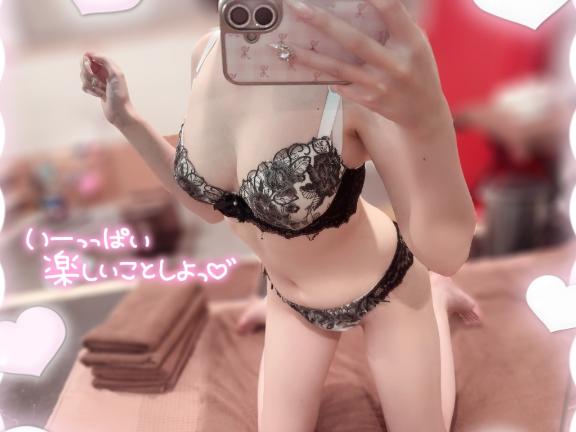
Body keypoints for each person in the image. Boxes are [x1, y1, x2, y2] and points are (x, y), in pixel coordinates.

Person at [79, 0, 478, 430]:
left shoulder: (350, 82)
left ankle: (435, 298)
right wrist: (126, 119)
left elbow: (446, 253)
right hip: (289, 301)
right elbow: (210, 209)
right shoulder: (208, 53)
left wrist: (431, 120)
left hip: (388, 286)